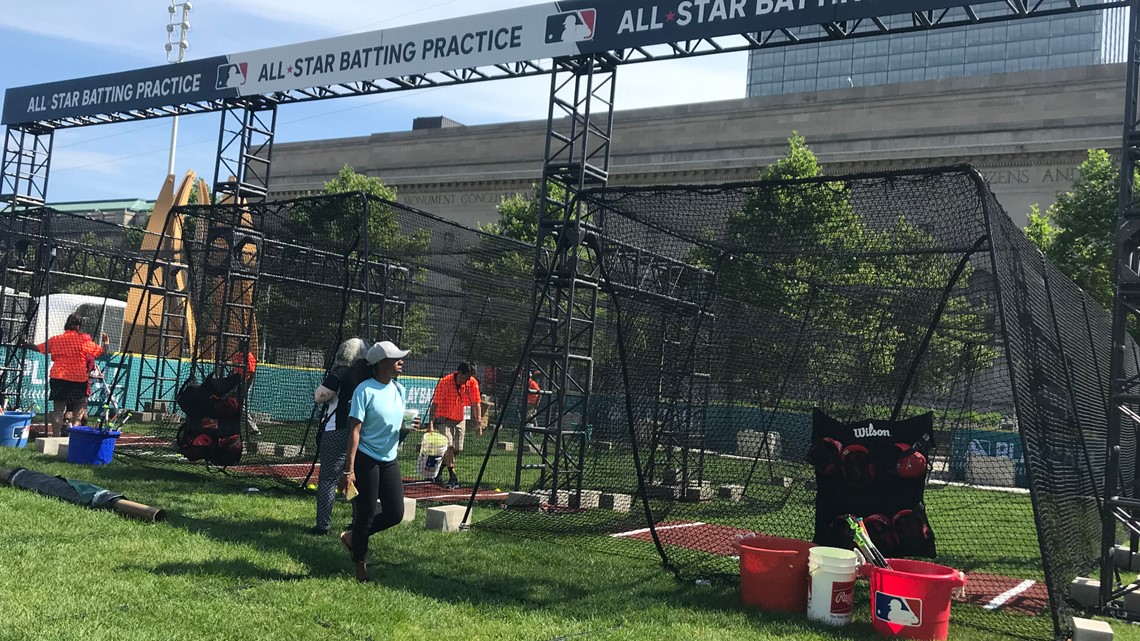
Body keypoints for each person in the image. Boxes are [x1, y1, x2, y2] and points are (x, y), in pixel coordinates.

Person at [338, 340, 416, 583]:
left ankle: (353, 537)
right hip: (366, 458)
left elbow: (394, 427)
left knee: (395, 513)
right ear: (382, 363)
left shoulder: (399, 389)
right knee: (367, 514)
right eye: (397, 358)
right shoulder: (364, 390)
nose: (401, 361)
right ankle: (360, 565)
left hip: (389, 458)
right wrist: (349, 470)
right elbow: (354, 431)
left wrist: (406, 430)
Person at [310, 337, 369, 536]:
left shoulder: (341, 373)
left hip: (337, 429)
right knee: (354, 478)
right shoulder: (368, 376)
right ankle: (357, 523)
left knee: (328, 479)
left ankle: (322, 525)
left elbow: (319, 396)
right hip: (361, 432)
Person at [21, 313, 109, 436]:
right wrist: (106, 342)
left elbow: (39, 348)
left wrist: (26, 343)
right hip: (78, 378)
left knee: (58, 408)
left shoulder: (56, 339)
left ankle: (56, 436)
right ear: (78, 327)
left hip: (59, 377)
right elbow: (102, 352)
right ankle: (74, 434)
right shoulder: (83, 341)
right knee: (80, 404)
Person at [427, 361, 481, 489]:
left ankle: (438, 469)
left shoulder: (472, 382)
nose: (469, 379)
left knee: (458, 448)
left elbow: (476, 403)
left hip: (459, 419)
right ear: (460, 373)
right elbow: (435, 404)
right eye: (467, 376)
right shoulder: (445, 382)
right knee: (449, 446)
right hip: (443, 419)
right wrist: (431, 424)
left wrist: (478, 422)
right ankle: (453, 477)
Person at [231, 349, 259, 436]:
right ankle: (234, 426)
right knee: (233, 403)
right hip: (236, 382)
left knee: (242, 405)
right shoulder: (236, 356)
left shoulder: (249, 356)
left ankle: (253, 428)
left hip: (245, 383)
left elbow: (252, 373)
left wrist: (247, 387)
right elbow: (234, 370)